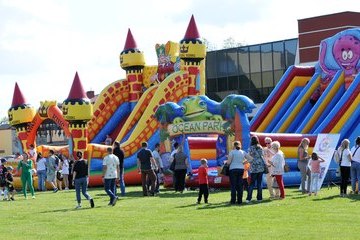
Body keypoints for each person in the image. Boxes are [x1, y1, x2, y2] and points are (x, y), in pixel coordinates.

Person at [246, 136, 265, 203]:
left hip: (254, 168)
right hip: (260, 167)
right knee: (259, 183)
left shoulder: (250, 148)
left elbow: (248, 157)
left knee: (252, 184)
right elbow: (263, 155)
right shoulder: (260, 147)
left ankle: (249, 198)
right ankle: (259, 198)